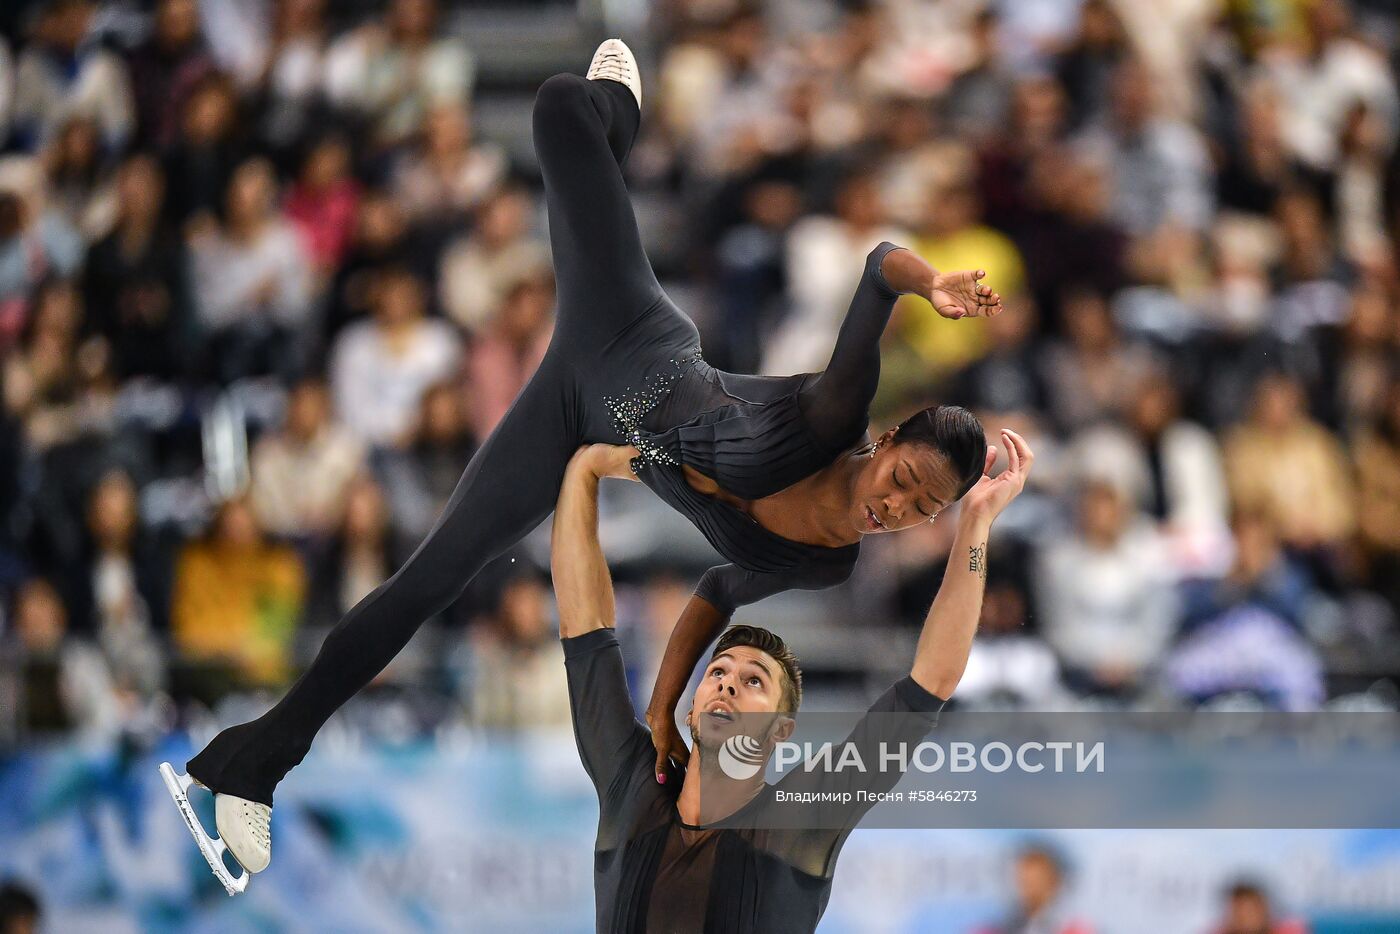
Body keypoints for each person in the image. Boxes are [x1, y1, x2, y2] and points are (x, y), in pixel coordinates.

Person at [164, 40, 1005, 887]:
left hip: (580, 432)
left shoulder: (827, 563)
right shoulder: (833, 415)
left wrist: (662, 707)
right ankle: (623, 112)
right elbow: (875, 267)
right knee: (562, 103)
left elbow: (717, 592)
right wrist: (928, 281)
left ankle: (248, 768)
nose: (900, 507)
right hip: (625, 333)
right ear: (887, 441)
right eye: (905, 480)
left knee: (432, 580)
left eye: (924, 509)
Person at [554, 429, 1032, 933]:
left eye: (754, 681)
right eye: (717, 672)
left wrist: (976, 522)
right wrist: (583, 472)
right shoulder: (633, 789)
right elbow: (584, 626)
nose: (727, 684)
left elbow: (930, 682)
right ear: (691, 710)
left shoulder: (800, 820)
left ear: (782, 729)